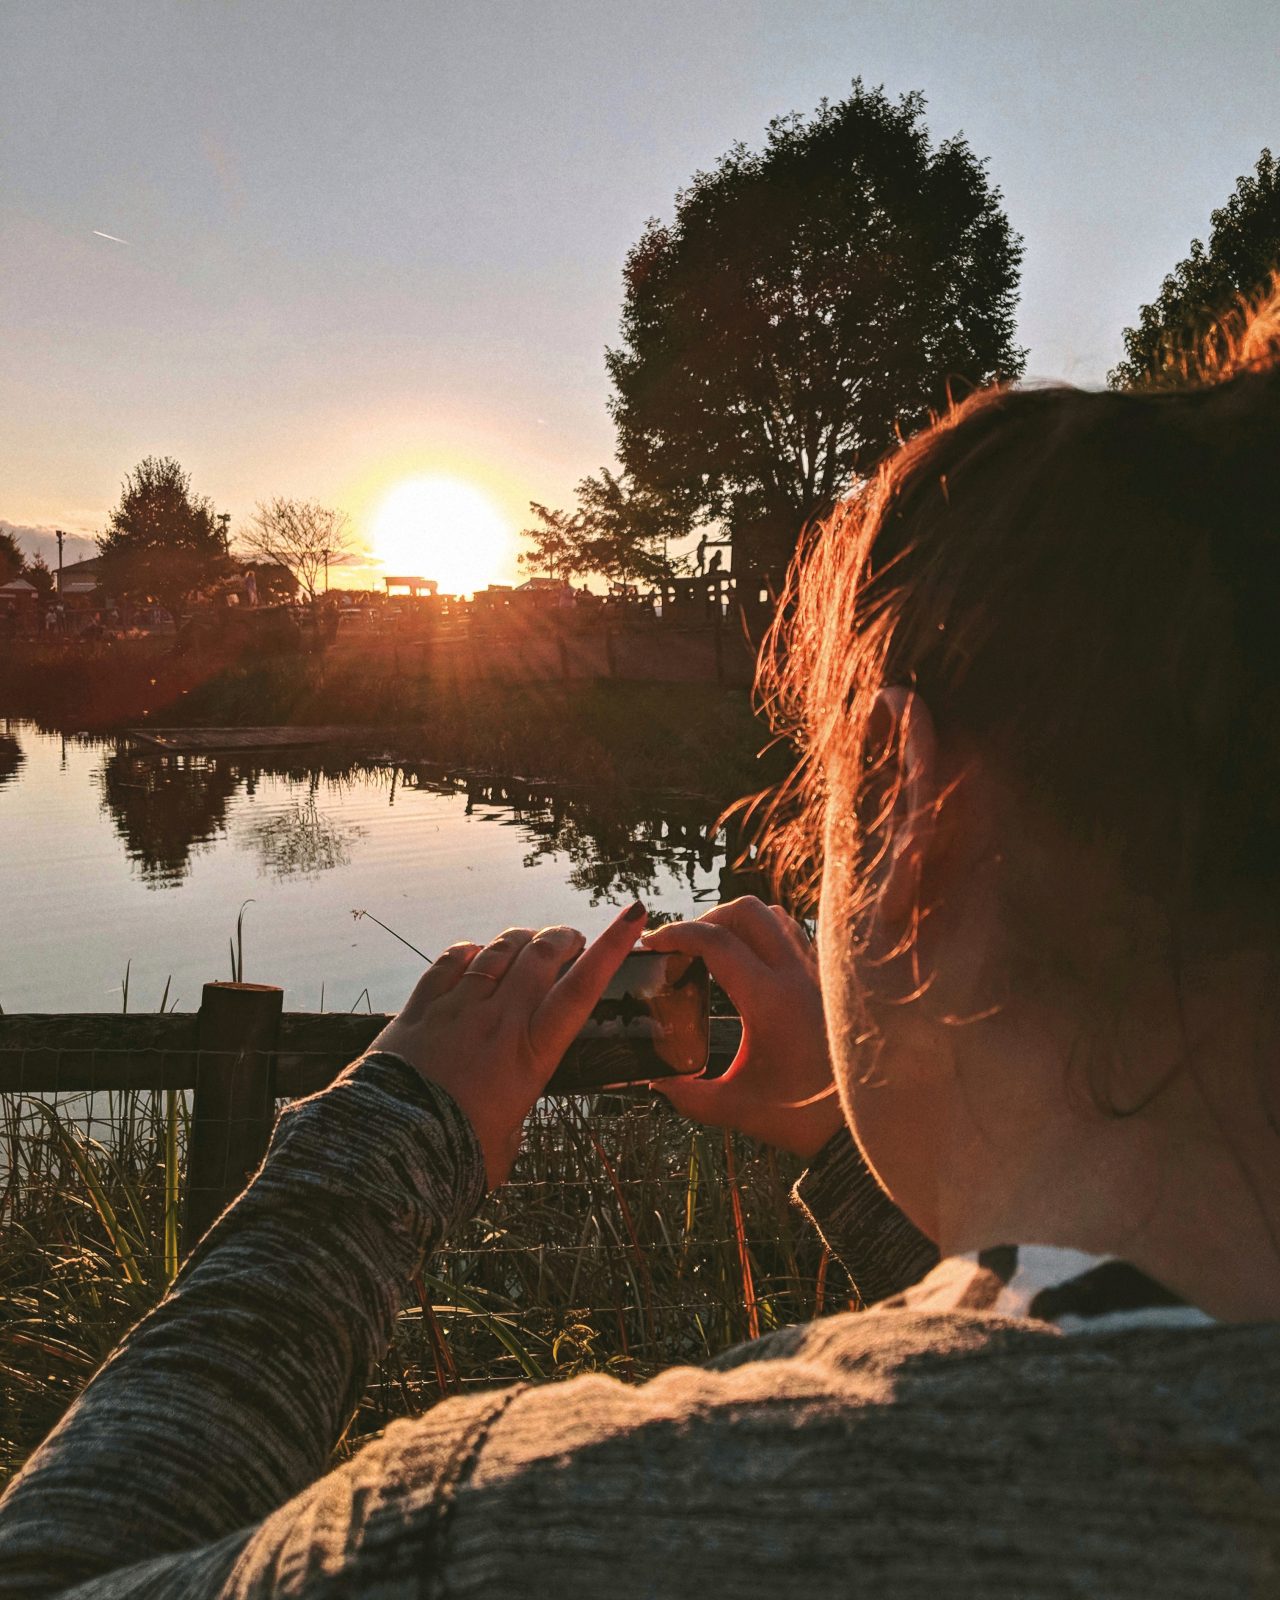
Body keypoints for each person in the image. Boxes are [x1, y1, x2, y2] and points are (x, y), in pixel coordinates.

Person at [5, 291, 1280, 1595]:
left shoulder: (526, 1534)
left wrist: (388, 1130)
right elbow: (1111, 1380)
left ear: (908, 810)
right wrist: (884, 1151)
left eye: (825, 804)